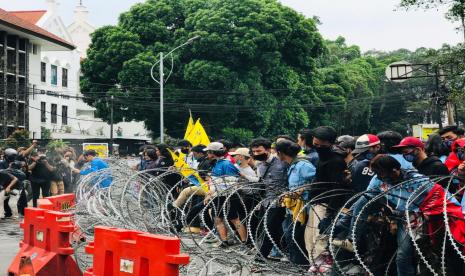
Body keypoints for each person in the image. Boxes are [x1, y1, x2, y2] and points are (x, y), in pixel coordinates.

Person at [308, 126, 348, 273]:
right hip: (317, 202)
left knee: (321, 240)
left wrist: (329, 214)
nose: (317, 147)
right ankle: (315, 267)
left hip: (326, 205)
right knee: (312, 240)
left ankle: (321, 270)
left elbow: (337, 189)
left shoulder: (336, 161)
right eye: (315, 144)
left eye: (321, 145)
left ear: (330, 144)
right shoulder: (322, 158)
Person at [276, 140, 316, 265]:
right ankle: (296, 261)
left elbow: (318, 181)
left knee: (296, 235)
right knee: (289, 233)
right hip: (293, 207)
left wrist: (303, 189)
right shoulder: (292, 165)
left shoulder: (303, 165)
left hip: (304, 207)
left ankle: (302, 263)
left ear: (280, 153)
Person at [250, 138, 288, 263]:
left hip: (280, 201)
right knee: (271, 228)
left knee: (269, 227)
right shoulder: (259, 165)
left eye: (259, 151)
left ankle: (261, 256)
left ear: (268, 150)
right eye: (254, 151)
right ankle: (285, 251)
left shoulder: (282, 163)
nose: (256, 154)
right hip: (266, 200)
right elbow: (262, 184)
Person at [202, 142, 247, 247]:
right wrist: (211, 192)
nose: (207, 155)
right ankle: (224, 241)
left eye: (208, 152)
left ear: (213, 152)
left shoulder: (226, 164)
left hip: (228, 196)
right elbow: (215, 181)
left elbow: (231, 183)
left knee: (234, 219)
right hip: (218, 196)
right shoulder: (217, 164)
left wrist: (213, 191)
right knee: (218, 219)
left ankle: (245, 242)